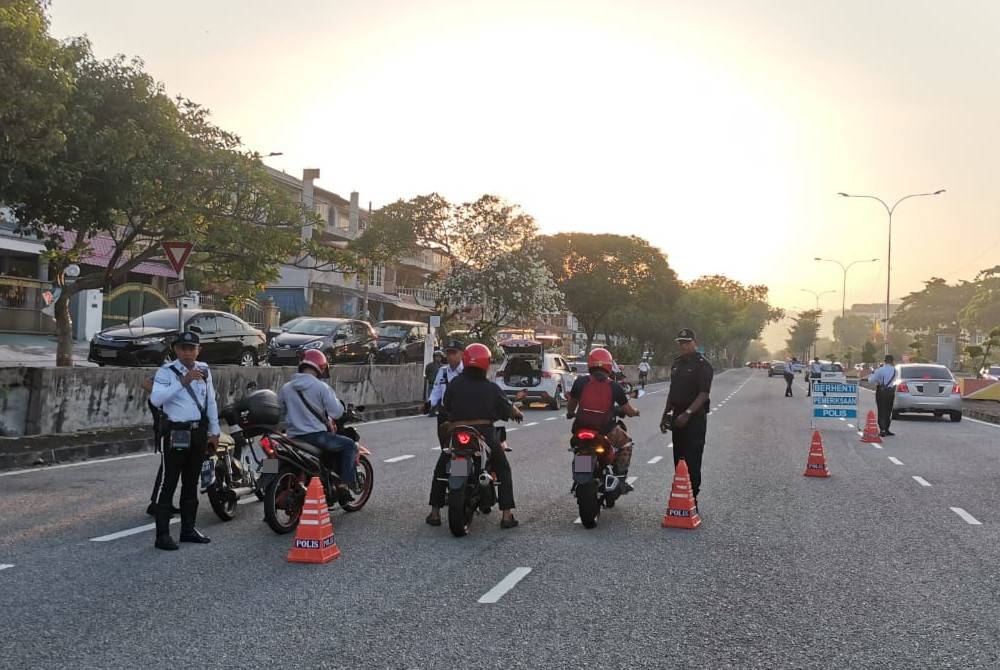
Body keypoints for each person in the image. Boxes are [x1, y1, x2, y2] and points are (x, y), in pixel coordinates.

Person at [426, 343, 523, 528]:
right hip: (484, 433)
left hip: (457, 432)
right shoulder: (491, 388)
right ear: (486, 363)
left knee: (441, 470)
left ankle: (435, 513)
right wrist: (516, 414)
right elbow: (507, 408)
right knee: (503, 468)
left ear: (464, 360)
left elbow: (446, 405)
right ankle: (507, 515)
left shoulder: (455, 383)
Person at [149, 331, 219, 550]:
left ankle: (188, 529)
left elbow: (211, 401)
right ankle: (162, 535)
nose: (188, 352)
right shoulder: (166, 372)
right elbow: (157, 398)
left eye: (192, 348)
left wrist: (214, 430)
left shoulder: (205, 369)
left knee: (192, 482)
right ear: (176, 350)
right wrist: (182, 382)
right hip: (177, 431)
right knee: (169, 481)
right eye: (183, 348)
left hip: (199, 431)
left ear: (199, 350)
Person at [278, 349, 358, 504]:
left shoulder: (286, 388)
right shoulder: (321, 387)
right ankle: (343, 487)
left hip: (292, 437)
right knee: (350, 445)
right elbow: (336, 412)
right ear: (320, 367)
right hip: (316, 437)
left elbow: (280, 411)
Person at [566, 347, 640, 493]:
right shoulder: (614, 386)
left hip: (580, 429)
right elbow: (628, 410)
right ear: (608, 365)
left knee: (579, 450)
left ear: (590, 363)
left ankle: (580, 474)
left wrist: (570, 413)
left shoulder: (580, 382)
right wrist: (635, 412)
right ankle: (620, 478)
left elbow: (572, 405)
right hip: (605, 430)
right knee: (626, 444)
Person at [659, 329, 713, 510]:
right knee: (679, 459)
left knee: (692, 460)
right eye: (681, 342)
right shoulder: (677, 364)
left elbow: (704, 393)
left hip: (694, 418)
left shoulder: (702, 365)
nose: (683, 346)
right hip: (678, 417)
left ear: (694, 342)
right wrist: (665, 414)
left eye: (687, 342)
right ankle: (682, 495)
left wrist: (688, 413)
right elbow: (672, 392)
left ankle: (693, 499)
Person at [142, 375, 179, 517]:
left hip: (179, 430)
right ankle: (155, 505)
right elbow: (146, 383)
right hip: (167, 431)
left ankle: (166, 503)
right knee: (166, 469)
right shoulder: (167, 372)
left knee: (175, 468)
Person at [427, 339, 465, 439]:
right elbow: (436, 392)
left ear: (462, 353)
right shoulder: (442, 371)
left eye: (454, 353)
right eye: (448, 353)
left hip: (464, 414)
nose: (450, 356)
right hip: (445, 413)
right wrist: (428, 405)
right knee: (445, 449)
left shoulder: (468, 371)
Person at [868, 354, 897, 437]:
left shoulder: (880, 370)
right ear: (892, 361)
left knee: (881, 410)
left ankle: (882, 430)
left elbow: (871, 380)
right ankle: (887, 429)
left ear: (885, 361)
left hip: (881, 392)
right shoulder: (895, 370)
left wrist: (872, 374)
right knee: (888, 410)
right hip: (891, 392)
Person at [423, 349, 444, 414]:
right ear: (434, 357)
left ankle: (435, 410)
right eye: (436, 357)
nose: (438, 358)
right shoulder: (429, 365)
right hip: (431, 384)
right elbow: (426, 374)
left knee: (439, 398)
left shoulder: (442, 366)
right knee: (431, 397)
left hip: (439, 385)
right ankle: (431, 411)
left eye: (439, 357)